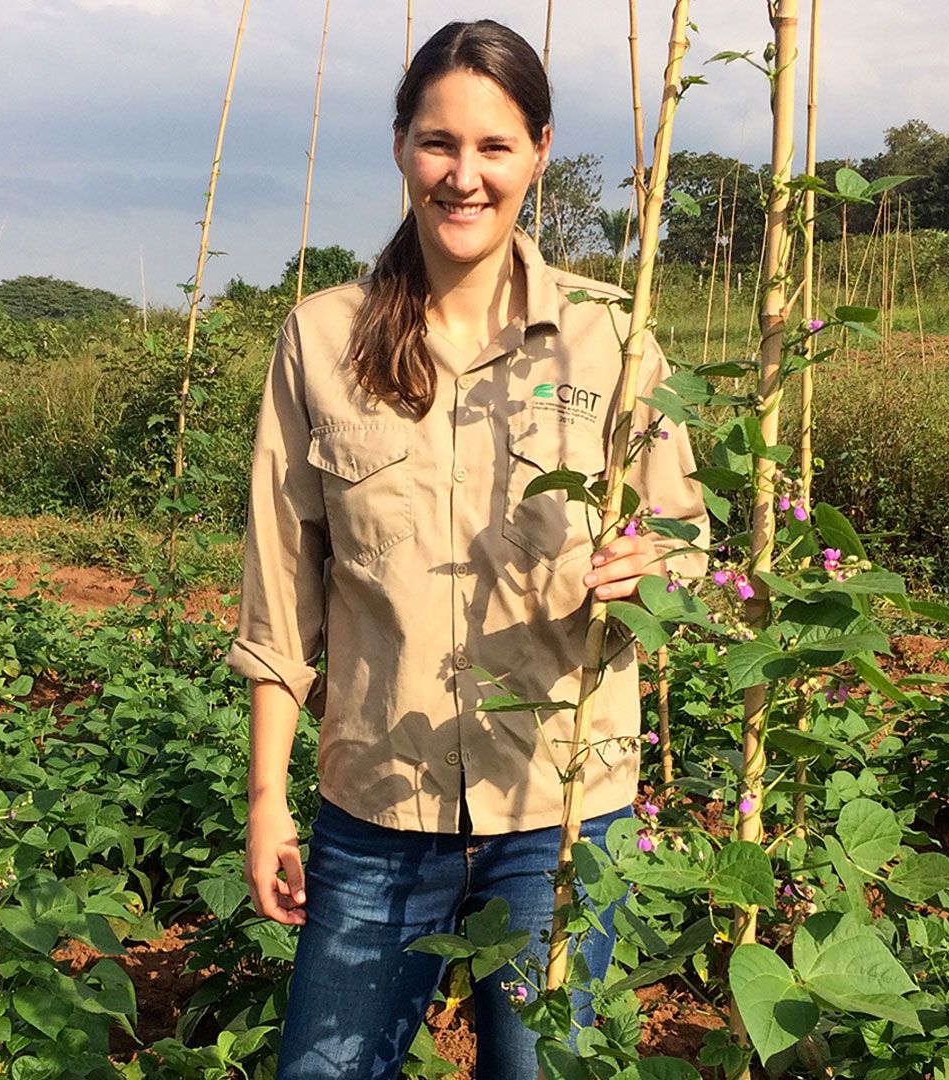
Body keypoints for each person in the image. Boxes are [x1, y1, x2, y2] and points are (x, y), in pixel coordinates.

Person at [229, 18, 707, 1079]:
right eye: (439, 142)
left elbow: (683, 534)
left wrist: (652, 568)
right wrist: (268, 804)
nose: (464, 175)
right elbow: (280, 596)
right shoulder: (322, 338)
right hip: (378, 808)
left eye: (494, 147)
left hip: (565, 810)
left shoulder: (608, 335)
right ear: (399, 145)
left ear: (538, 150)